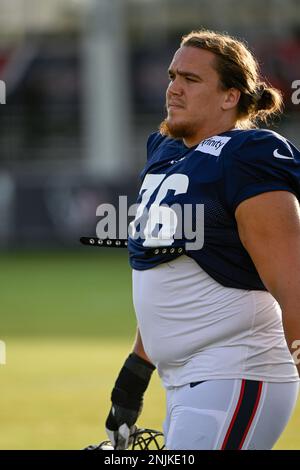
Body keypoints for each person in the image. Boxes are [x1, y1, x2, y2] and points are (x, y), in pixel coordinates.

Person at [105, 29, 300, 450]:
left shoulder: (248, 158)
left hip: (236, 372)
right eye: (172, 76)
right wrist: (135, 373)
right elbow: (169, 274)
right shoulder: (165, 153)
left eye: (191, 80)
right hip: (184, 381)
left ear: (231, 96)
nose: (173, 89)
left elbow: (293, 287)